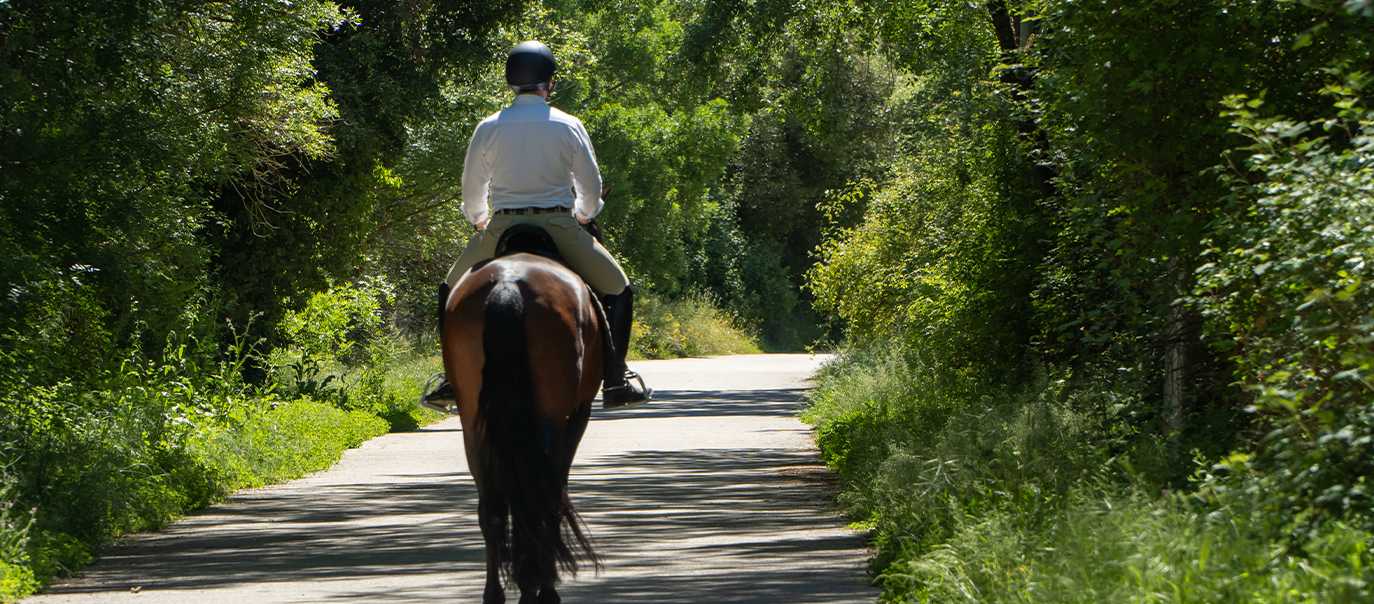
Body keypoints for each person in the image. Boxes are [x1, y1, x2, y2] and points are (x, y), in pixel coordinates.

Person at [422, 40, 652, 411]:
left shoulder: (488, 127)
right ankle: (615, 378)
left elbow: (472, 191)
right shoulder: (568, 125)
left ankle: (451, 377)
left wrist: (481, 221)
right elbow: (590, 191)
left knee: (450, 289)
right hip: (559, 223)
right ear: (550, 82)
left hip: (501, 226)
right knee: (620, 288)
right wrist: (582, 216)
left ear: (511, 82)